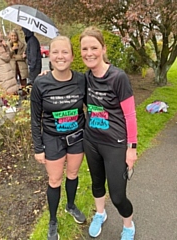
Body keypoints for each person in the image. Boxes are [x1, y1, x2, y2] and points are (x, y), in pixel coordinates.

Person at [79, 26, 137, 240]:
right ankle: (100, 214)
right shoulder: (85, 78)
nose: (89, 53)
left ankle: (128, 226)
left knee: (118, 195)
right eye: (84, 48)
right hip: (92, 141)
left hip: (115, 144)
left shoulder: (118, 77)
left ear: (103, 49)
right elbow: (63, 82)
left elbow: (130, 115)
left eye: (94, 47)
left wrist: (132, 149)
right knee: (96, 183)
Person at [30, 36, 86, 240]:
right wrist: (38, 147)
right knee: (54, 180)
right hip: (52, 139)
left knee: (72, 174)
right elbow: (35, 118)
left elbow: (93, 104)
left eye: (65, 52)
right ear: (49, 56)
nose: (60, 56)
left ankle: (70, 206)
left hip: (77, 138)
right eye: (55, 52)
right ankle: (53, 220)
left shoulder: (82, 80)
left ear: (72, 56)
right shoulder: (41, 82)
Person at [0, 29, 19, 94]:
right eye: (1, 33)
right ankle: (8, 103)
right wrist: (6, 47)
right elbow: (6, 57)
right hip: (4, 71)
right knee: (7, 89)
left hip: (3, 70)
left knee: (7, 88)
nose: (2, 34)